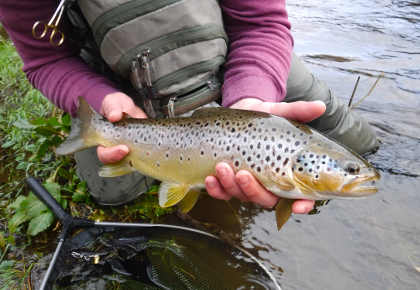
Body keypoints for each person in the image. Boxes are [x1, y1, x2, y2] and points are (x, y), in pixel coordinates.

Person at [0, 1, 378, 215]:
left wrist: (252, 97)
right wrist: (100, 100)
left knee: (335, 121)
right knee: (112, 190)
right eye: (347, 171)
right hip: (117, 77)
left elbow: (261, 23)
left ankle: (374, 154)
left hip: (238, 56)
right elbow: (46, 61)